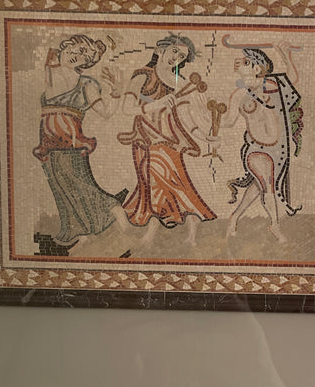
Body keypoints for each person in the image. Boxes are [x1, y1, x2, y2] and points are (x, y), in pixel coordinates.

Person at [32, 34, 127, 254]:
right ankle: (78, 233)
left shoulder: (86, 84)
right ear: (65, 48)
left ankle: (115, 211)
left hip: (70, 142)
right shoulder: (51, 74)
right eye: (76, 49)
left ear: (87, 63)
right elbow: (52, 45)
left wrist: (116, 91)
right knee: (60, 187)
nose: (78, 55)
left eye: (85, 55)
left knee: (80, 185)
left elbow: (106, 112)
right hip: (48, 142)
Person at [118, 33, 216, 242]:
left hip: (169, 138)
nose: (176, 58)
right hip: (144, 136)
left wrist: (203, 136)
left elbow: (186, 115)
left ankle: (163, 228)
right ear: (161, 50)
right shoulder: (142, 75)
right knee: (149, 180)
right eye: (175, 51)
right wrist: (155, 105)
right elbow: (126, 108)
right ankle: (183, 224)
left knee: (172, 180)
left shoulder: (179, 82)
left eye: (181, 57)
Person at [223, 44, 303, 241]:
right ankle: (275, 226)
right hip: (256, 151)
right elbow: (228, 122)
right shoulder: (240, 95)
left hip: (278, 150)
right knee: (268, 188)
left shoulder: (274, 85)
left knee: (259, 187)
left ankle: (234, 218)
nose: (238, 63)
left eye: (246, 62)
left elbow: (292, 78)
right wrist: (209, 119)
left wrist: (285, 54)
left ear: (257, 68)